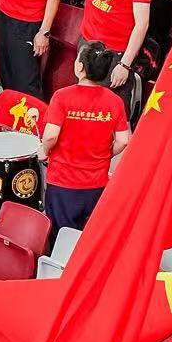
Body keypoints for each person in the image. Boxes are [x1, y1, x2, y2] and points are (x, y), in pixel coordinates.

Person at [39, 39, 131, 229]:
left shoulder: (62, 97)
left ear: (80, 67)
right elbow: (123, 140)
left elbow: (50, 136)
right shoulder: (115, 102)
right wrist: (104, 155)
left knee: (60, 235)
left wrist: (44, 151)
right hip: (96, 184)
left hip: (62, 183)